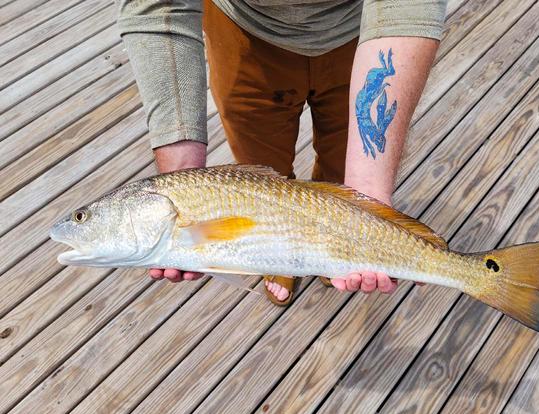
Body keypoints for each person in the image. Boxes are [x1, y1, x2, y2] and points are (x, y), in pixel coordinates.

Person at [117, 0, 446, 304]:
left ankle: (337, 248)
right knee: (257, 169)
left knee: (343, 171)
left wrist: (369, 196)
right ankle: (279, 253)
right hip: (244, 29)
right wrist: (181, 184)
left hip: (363, 28)